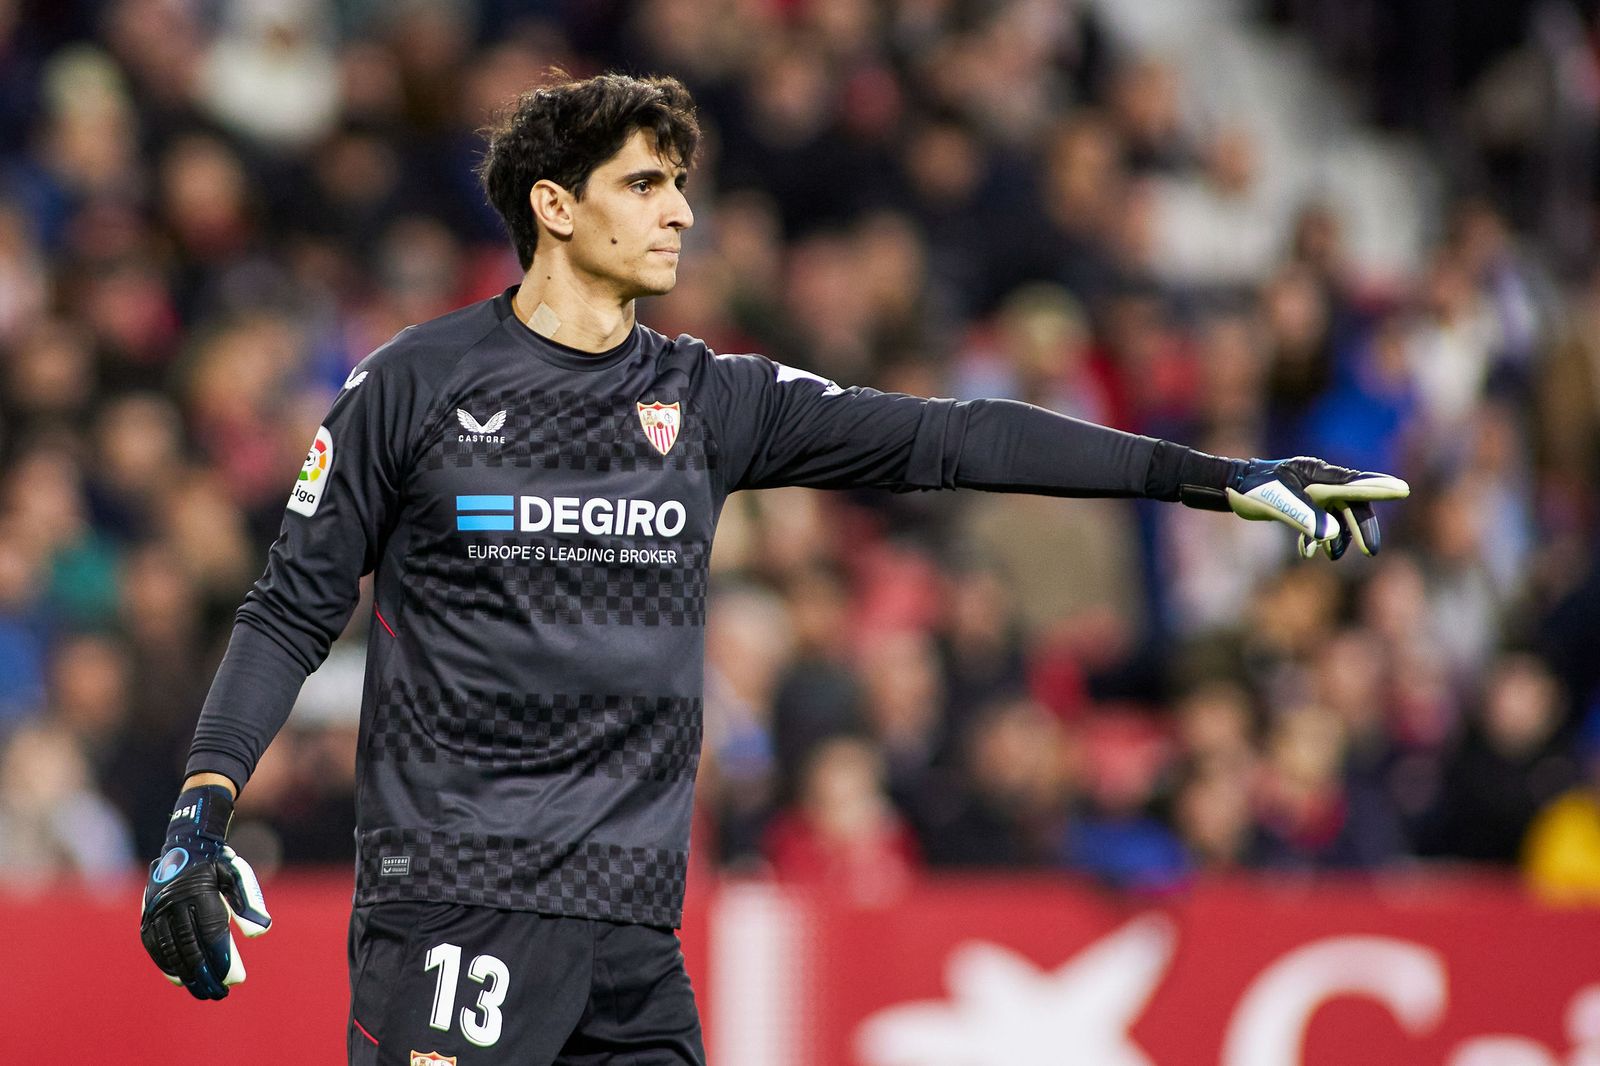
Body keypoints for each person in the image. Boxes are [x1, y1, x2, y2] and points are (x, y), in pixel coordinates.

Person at [136, 71, 1409, 1065]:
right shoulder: (412, 386)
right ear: (555, 205)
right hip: (460, 903)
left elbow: (950, 439)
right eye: (646, 183)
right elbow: (291, 605)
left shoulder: (707, 398)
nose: (682, 210)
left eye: (682, 183)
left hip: (634, 925)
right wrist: (200, 814)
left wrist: (1215, 474)